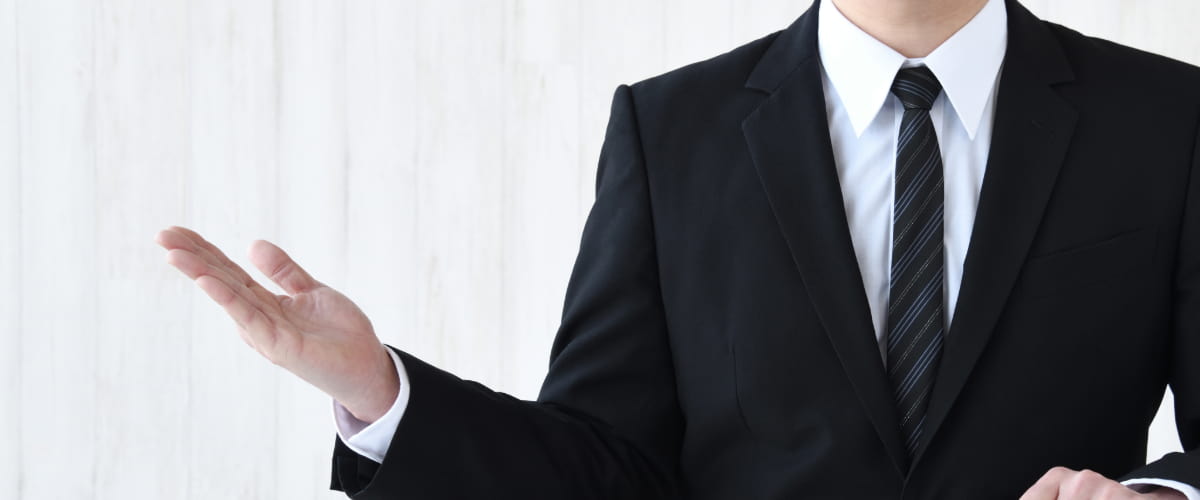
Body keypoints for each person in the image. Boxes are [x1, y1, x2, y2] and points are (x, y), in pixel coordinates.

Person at [157, 0, 1200, 497]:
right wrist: (384, 393)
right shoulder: (672, 134)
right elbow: (603, 465)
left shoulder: (1168, 121)